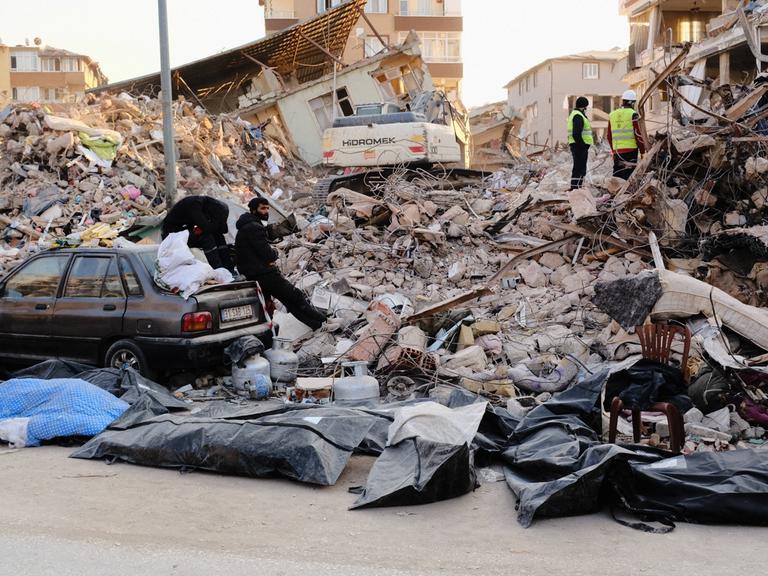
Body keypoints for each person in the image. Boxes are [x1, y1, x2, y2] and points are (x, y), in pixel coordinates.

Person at [235, 198, 326, 330]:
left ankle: (317, 324)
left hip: (254, 275)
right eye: (262, 208)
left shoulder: (246, 226)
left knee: (275, 305)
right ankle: (323, 322)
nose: (266, 211)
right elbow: (268, 255)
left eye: (267, 208)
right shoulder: (254, 228)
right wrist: (275, 253)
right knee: (295, 297)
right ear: (254, 210)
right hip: (264, 273)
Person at [161, 195, 234, 272]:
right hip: (172, 236)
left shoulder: (208, 206)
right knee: (206, 237)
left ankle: (229, 269)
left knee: (218, 236)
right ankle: (218, 270)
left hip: (183, 232)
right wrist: (216, 222)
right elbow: (206, 227)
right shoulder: (194, 204)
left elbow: (223, 230)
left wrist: (220, 221)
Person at [607, 90, 646, 180]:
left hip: (617, 151)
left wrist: (613, 150)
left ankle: (615, 193)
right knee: (628, 177)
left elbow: (609, 136)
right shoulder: (633, 114)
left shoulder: (612, 115)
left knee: (617, 176)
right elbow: (638, 135)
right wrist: (643, 151)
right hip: (630, 151)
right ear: (632, 103)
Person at [567, 96, 593, 190]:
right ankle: (576, 188)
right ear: (584, 107)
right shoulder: (578, 116)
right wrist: (582, 146)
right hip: (579, 146)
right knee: (580, 168)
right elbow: (576, 133)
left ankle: (575, 187)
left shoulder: (574, 114)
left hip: (576, 145)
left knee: (577, 167)